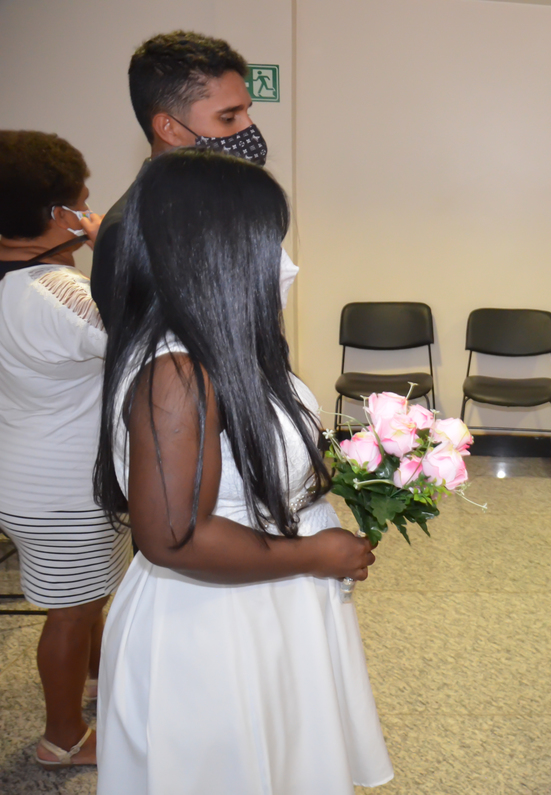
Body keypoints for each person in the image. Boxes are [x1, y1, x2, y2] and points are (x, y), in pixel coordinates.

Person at [92, 149, 392, 794]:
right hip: (213, 624)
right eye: (270, 242)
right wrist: (315, 553)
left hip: (264, 596)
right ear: (217, 252)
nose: (286, 264)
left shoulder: (225, 347)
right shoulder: (176, 374)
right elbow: (173, 538)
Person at [0, 130, 126, 769]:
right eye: (82, 202)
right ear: (58, 215)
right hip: (64, 489)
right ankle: (63, 738)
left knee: (85, 597)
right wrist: (114, 254)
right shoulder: (60, 293)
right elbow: (148, 335)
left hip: (28, 473)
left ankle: (99, 684)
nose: (89, 210)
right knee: (71, 613)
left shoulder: (16, 283)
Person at [91, 30, 292, 328]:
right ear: (168, 128)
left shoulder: (236, 206)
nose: (249, 129)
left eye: (247, 113)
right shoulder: (128, 232)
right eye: (228, 118)